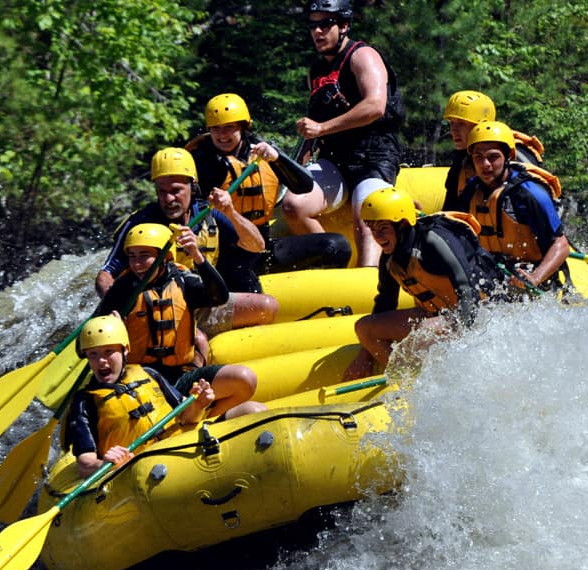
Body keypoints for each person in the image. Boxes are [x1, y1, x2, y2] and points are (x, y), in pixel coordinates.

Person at [96, 147, 278, 338]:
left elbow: (257, 245)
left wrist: (231, 212)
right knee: (197, 338)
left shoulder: (209, 213)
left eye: (176, 191)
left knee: (267, 306)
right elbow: (105, 275)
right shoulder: (140, 223)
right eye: (162, 191)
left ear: (192, 186)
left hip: (201, 299)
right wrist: (116, 308)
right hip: (157, 310)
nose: (168, 199)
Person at [95, 222, 266, 423]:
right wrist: (112, 330)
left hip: (180, 376)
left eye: (145, 256)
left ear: (164, 256)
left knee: (245, 378)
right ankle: (186, 417)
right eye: (132, 256)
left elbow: (219, 297)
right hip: (142, 382)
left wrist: (198, 257)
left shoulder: (183, 281)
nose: (137, 264)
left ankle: (201, 420)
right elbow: (89, 342)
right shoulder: (123, 290)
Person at [281, 0, 406, 267]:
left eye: (325, 24)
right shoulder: (316, 71)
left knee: (367, 219)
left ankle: (367, 278)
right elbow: (315, 124)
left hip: (374, 156)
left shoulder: (363, 56)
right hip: (334, 159)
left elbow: (375, 106)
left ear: (344, 25)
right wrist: (303, 153)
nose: (317, 32)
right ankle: (334, 262)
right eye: (313, 25)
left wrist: (322, 128)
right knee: (294, 206)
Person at [343, 187, 508, 380]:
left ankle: (423, 381)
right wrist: (365, 354)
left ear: (402, 225)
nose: (377, 237)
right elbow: (385, 304)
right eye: (373, 230)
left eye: (383, 228)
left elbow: (466, 290)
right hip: (435, 316)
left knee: (425, 332)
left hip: (478, 313)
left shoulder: (433, 240)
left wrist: (467, 342)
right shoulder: (389, 258)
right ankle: (402, 381)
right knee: (364, 328)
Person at [187, 92, 352, 272]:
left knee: (336, 245)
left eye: (229, 127)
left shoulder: (260, 152)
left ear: (243, 127)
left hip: (263, 248)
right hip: (225, 253)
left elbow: (305, 186)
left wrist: (278, 158)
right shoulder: (202, 161)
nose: (222, 135)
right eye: (216, 128)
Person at [65, 315, 216, 478]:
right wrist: (105, 464)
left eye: (108, 351)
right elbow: (85, 464)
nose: (101, 361)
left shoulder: (148, 373)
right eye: (93, 354)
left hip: (181, 447)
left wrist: (198, 405)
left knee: (247, 409)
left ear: (125, 350)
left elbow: (187, 418)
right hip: (144, 469)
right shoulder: (85, 401)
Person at [456, 121, 570, 292]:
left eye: (493, 157)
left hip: (534, 280)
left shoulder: (529, 194)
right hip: (494, 278)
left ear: (508, 156)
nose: (485, 164)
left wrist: (535, 277)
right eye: (478, 157)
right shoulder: (471, 191)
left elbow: (561, 245)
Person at [441, 90, 547, 210]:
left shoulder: (512, 153)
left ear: (480, 125)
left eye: (461, 124)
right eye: (452, 123)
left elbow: (538, 202)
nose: (453, 130)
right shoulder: (462, 160)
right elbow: (450, 208)